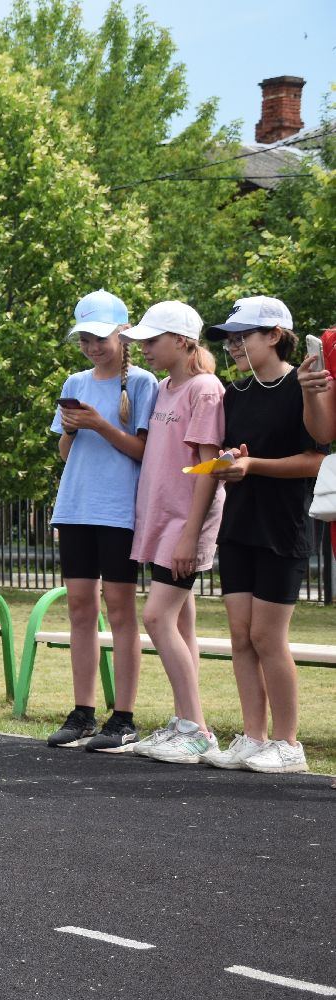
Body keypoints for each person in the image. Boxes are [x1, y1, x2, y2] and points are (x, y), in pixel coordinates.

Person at [201, 296, 326, 774]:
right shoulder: (237, 393)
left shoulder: (306, 385)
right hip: (239, 524)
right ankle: (253, 738)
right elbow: (242, 456)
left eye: (241, 336)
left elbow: (315, 460)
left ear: (274, 334)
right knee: (240, 636)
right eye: (229, 338)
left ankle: (288, 743)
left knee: (267, 637)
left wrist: (254, 465)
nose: (233, 346)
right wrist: (235, 460)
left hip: (283, 527)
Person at [42, 291, 158, 752]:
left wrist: (98, 424)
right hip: (76, 507)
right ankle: (83, 712)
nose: (92, 346)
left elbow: (144, 453)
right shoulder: (76, 381)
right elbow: (65, 453)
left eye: (100, 337)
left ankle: (124, 717)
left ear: (123, 333)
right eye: (84, 338)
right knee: (80, 610)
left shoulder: (145, 383)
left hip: (118, 511)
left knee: (120, 611)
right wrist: (72, 428)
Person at [117, 305, 226, 764]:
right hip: (162, 522)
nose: (144, 348)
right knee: (181, 623)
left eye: (152, 340)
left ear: (182, 341)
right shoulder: (163, 388)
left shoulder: (204, 390)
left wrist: (188, 536)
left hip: (185, 524)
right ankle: (187, 722)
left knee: (157, 618)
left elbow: (209, 469)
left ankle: (196, 729)